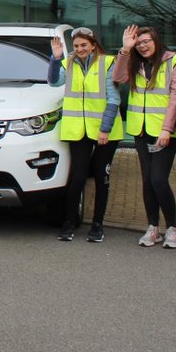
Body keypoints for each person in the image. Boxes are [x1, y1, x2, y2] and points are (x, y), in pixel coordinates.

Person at [112, 24, 176, 249]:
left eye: (147, 42)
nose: (143, 46)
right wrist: (125, 50)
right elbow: (118, 77)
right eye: (139, 43)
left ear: (157, 40)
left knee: (158, 179)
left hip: (164, 131)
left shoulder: (174, 61)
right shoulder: (134, 61)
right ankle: (153, 227)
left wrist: (167, 129)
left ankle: (172, 228)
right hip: (140, 129)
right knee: (147, 181)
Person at [49, 27, 122, 243]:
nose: (80, 49)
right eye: (77, 46)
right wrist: (56, 58)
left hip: (104, 131)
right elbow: (54, 82)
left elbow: (114, 99)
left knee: (101, 177)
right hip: (77, 130)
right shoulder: (67, 62)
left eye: (84, 45)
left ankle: (98, 225)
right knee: (77, 177)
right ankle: (68, 223)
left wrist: (104, 129)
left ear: (93, 45)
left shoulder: (107, 63)